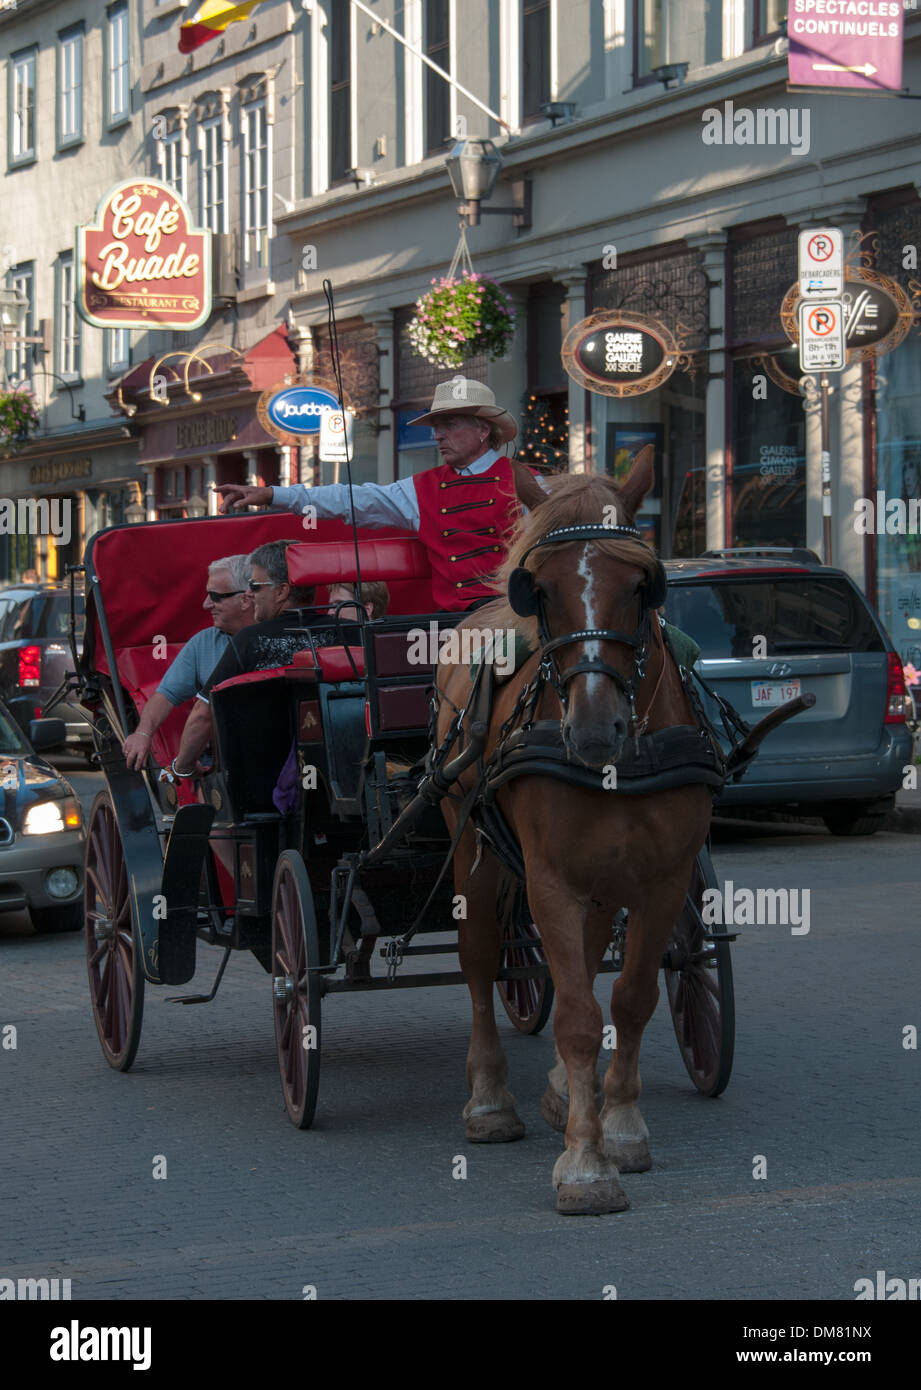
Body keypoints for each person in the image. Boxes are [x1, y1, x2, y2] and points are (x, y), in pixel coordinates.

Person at [216, 379, 547, 611]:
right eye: (436, 426)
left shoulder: (529, 483)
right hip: (452, 623)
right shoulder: (422, 487)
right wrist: (274, 494)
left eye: (449, 424)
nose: (437, 435)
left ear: (482, 429)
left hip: (511, 615)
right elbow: (353, 500)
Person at [170, 540, 323, 777]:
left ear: (281, 591)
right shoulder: (350, 631)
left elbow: (202, 716)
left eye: (254, 586)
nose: (249, 594)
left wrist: (183, 767)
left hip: (263, 775)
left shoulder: (249, 640)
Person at [122, 554, 255, 770]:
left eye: (215, 596)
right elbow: (165, 695)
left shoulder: (277, 635)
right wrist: (142, 734)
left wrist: (182, 768)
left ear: (246, 599)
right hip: (221, 759)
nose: (205, 604)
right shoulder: (203, 642)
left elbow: (202, 716)